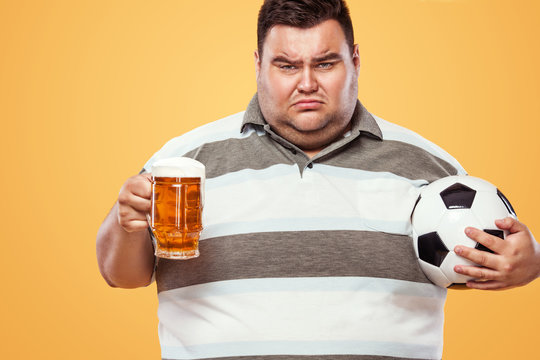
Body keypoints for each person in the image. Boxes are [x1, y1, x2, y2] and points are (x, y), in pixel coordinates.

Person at [96, 0, 540, 359]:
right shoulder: (183, 162)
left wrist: (530, 261)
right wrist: (124, 223)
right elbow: (122, 276)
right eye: (286, 66)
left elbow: (492, 256)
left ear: (355, 60)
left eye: (325, 63)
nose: (306, 83)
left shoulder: (430, 168)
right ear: (258, 64)